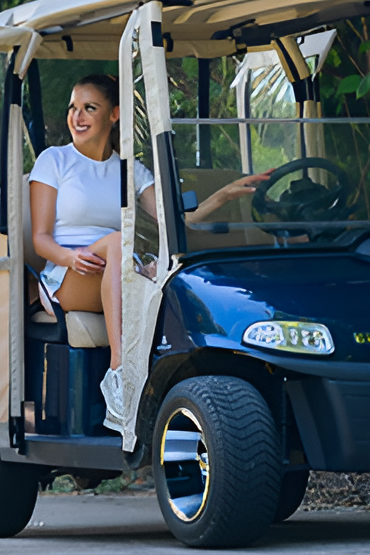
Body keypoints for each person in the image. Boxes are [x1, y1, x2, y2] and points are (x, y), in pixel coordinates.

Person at [29, 73, 270, 427]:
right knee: (117, 241)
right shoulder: (54, 160)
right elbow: (40, 239)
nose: (77, 117)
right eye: (73, 108)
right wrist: (72, 257)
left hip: (113, 268)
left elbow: (177, 221)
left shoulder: (130, 170)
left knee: (162, 267)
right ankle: (119, 374)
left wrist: (224, 194)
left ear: (113, 115)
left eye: (89, 108)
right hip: (66, 275)